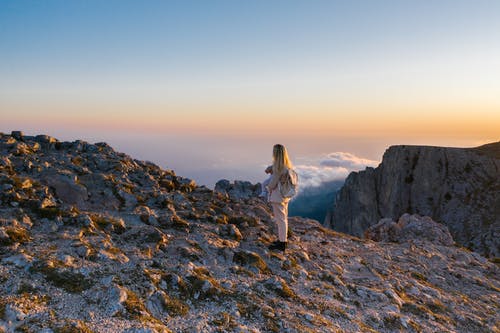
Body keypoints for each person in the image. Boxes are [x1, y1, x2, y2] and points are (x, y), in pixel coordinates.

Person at [266, 144, 293, 252]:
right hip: (285, 196)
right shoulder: (286, 166)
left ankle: (282, 243)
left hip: (277, 197)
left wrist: (267, 188)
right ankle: (282, 240)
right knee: (283, 218)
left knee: (280, 220)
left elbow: (272, 184)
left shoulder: (279, 168)